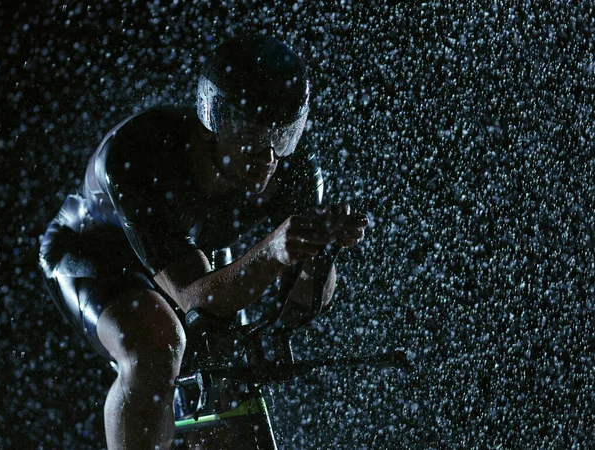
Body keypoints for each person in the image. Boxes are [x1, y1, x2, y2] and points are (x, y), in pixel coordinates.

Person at [39, 34, 368, 449]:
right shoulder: (138, 155)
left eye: (282, 137)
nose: (267, 158)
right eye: (250, 133)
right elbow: (200, 297)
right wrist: (274, 251)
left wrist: (319, 253)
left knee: (226, 367)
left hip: (185, 251)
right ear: (214, 119)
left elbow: (303, 303)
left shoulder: (296, 170)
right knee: (158, 347)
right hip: (96, 253)